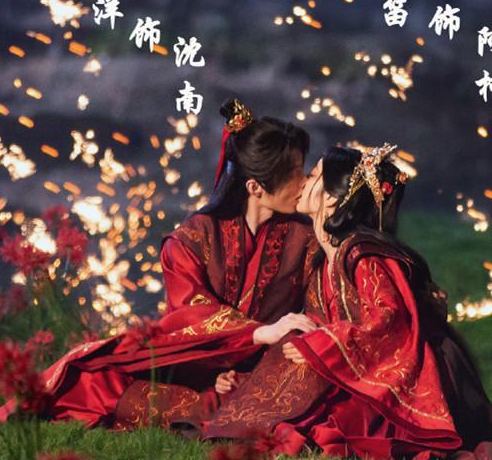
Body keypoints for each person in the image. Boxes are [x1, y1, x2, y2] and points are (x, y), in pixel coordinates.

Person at [201, 143, 492, 460]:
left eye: (312, 175)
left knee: (324, 427)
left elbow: (388, 321)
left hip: (410, 374)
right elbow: (320, 325)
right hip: (363, 366)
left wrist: (323, 343)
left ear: (330, 197)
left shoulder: (365, 255)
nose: (301, 182)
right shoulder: (322, 261)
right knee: (271, 411)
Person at [36, 99, 322, 429]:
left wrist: (274, 347)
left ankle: (231, 406)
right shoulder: (190, 239)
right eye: (293, 174)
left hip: (270, 367)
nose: (304, 181)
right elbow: (190, 317)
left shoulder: (305, 236)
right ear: (255, 187)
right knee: (97, 381)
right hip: (199, 368)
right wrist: (259, 333)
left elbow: (315, 310)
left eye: (303, 169)